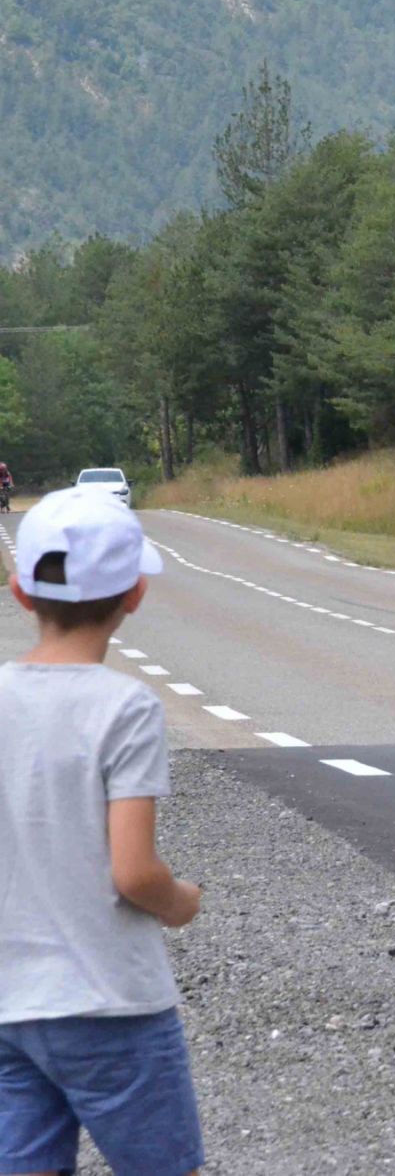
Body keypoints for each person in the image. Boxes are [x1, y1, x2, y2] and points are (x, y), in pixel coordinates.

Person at [0, 486, 204, 1176]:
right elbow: (134, 871)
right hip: (111, 1002)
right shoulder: (127, 707)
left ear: (20, 592)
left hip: (9, 1004)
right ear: (135, 594)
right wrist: (181, 901)